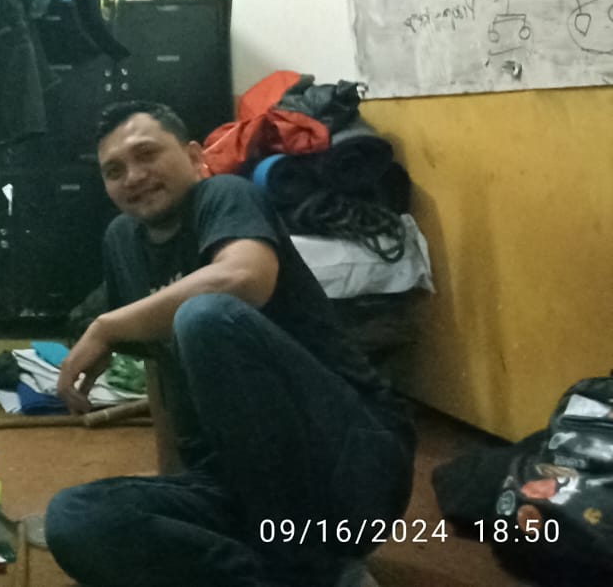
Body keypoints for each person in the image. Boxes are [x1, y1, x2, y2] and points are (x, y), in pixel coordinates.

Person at [44, 101, 415, 587]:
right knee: (74, 517)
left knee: (204, 316)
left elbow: (245, 278)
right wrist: (176, 485)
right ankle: (290, 577)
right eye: (114, 171)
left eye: (147, 154)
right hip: (236, 486)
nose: (133, 177)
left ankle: (309, 565)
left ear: (194, 156)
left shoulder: (225, 195)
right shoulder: (121, 240)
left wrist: (106, 327)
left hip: (351, 467)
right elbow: (160, 373)